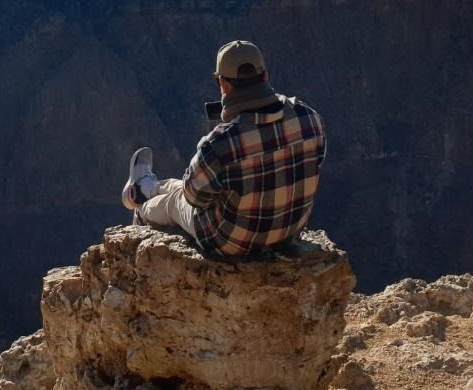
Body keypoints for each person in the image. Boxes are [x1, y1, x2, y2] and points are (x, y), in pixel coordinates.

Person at [120, 39, 326, 256]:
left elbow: (193, 197)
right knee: (190, 185)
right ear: (265, 76)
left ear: (223, 85)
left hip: (230, 241)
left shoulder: (221, 143)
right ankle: (147, 186)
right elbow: (314, 162)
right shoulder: (310, 119)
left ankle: (140, 203)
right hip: (287, 234)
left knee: (172, 203)